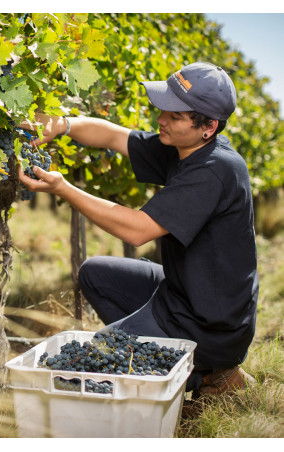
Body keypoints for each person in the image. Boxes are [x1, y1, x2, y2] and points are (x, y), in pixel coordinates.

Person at [18, 61, 259, 399]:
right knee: (95, 273)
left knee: (80, 370)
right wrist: (61, 125)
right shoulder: (185, 147)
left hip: (207, 323)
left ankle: (200, 372)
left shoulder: (214, 169)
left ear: (208, 127)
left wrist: (63, 189)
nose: (161, 119)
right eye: (164, 109)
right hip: (184, 292)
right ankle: (181, 368)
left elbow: (137, 230)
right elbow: (113, 135)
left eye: (175, 115)